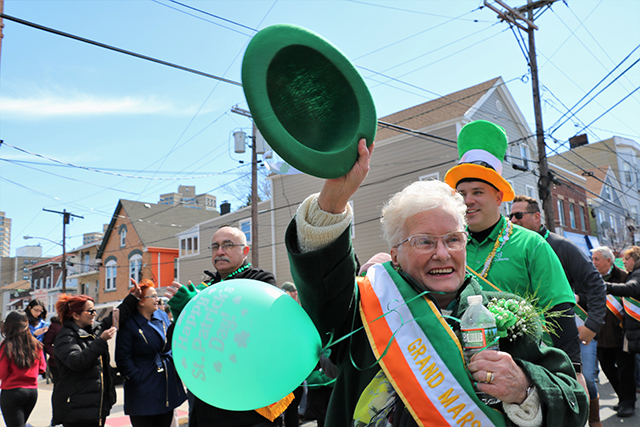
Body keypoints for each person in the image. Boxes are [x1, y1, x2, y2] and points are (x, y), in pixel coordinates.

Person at [285, 138, 588, 426]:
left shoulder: (506, 311)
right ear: (395, 253)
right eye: (425, 242)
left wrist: (524, 387)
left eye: (454, 240)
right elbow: (323, 287)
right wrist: (335, 198)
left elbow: (573, 401)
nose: (443, 254)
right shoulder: (365, 306)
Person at [443, 120, 582, 372]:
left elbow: (559, 309)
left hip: (528, 370)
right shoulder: (448, 247)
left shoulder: (531, 244)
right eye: (461, 194)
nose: (468, 201)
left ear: (498, 197)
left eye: (478, 192)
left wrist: (575, 370)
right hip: (463, 372)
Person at [167, 225, 282, 427]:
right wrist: (181, 315)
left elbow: (249, 327)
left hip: (250, 401)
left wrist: (200, 307)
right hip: (208, 400)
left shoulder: (261, 281)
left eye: (228, 245)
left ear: (245, 251)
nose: (220, 252)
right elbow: (179, 343)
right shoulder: (204, 289)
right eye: (215, 246)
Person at [510, 195, 606, 426]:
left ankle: (593, 421)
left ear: (536, 217)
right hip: (532, 338)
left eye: (519, 215)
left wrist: (592, 324)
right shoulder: (509, 247)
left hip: (567, 331)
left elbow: (596, 283)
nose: (513, 220)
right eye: (510, 215)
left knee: (586, 382)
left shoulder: (561, 245)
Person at [115, 279, 186, 427]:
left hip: (165, 382)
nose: (157, 299)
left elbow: (170, 342)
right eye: (152, 296)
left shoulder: (161, 316)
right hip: (143, 387)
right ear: (140, 301)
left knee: (165, 420)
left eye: (157, 296)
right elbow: (122, 358)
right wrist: (137, 377)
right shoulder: (129, 323)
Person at [53, 294, 117, 427]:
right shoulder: (65, 336)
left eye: (94, 310)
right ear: (76, 315)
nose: (94, 314)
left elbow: (115, 316)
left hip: (95, 408)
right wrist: (101, 341)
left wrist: (134, 297)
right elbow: (78, 361)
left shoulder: (94, 331)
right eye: (90, 311)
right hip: (76, 410)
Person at [590, 245, 635, 417]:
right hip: (601, 331)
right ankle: (623, 397)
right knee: (607, 367)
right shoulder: (593, 278)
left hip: (621, 331)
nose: (593, 263)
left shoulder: (624, 277)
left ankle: (627, 402)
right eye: (592, 259)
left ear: (609, 260)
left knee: (626, 369)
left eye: (597, 259)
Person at [603, 246, 640, 418]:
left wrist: (605, 286)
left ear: (636, 258)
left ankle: (628, 403)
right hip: (630, 329)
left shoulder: (637, 274)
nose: (624, 262)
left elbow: (631, 289)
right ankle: (625, 400)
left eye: (627, 258)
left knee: (627, 367)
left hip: (635, 329)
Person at [0, 311, 47, 427]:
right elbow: (42, 368)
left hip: (12, 391)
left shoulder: (7, 345)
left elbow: (2, 372)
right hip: (32, 392)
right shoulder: (36, 344)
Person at [43, 316, 63, 384]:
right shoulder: (55, 325)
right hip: (57, 363)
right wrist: (56, 354)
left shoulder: (78, 323)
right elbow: (46, 343)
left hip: (75, 361)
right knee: (59, 388)